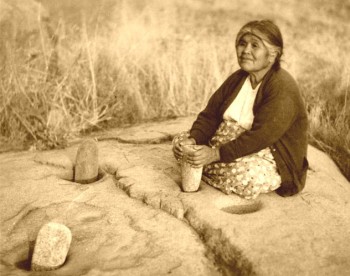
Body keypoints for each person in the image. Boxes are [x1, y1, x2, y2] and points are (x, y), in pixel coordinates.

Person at [172, 19, 309, 200]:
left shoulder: (282, 86)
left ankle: (206, 166)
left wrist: (215, 154)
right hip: (226, 144)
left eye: (255, 46)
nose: (246, 51)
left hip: (266, 153)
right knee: (181, 143)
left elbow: (262, 136)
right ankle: (204, 164)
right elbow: (210, 115)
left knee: (246, 176)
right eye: (242, 44)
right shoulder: (238, 79)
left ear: (273, 54)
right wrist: (194, 138)